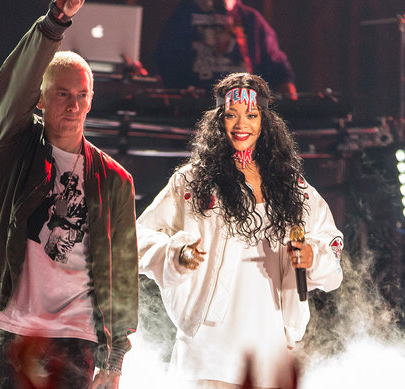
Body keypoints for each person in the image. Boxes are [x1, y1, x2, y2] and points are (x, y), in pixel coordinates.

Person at [0, 0, 139, 388]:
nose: (74, 105)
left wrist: (115, 359)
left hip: (75, 333)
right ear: (41, 99)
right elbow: (12, 90)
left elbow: (122, 273)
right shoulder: (13, 146)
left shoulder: (114, 180)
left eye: (82, 95)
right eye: (62, 94)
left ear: (91, 101)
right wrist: (55, 22)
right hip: (9, 325)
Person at [137, 72, 343, 388]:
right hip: (207, 353)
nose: (240, 124)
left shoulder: (295, 189)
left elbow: (331, 249)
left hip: (270, 352)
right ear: (219, 120)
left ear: (265, 121)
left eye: (251, 115)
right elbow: (138, 238)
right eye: (231, 115)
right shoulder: (191, 182)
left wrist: (313, 255)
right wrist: (177, 253)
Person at [155, 0, 297, 100]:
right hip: (197, 113)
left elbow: (279, 71)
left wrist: (288, 94)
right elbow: (167, 70)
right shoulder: (180, 20)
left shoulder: (251, 19)